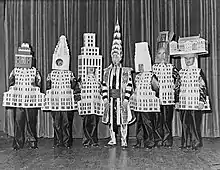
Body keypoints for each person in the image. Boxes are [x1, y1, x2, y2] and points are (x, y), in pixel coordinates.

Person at [3, 43, 45, 150]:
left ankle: (32, 142)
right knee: (18, 122)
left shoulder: (35, 71)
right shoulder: (15, 70)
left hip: (31, 101)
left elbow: (38, 84)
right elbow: (11, 82)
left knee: (31, 122)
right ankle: (18, 143)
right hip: (19, 101)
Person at [101, 20, 135, 148]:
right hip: (111, 99)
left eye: (117, 56)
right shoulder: (106, 71)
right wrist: (105, 99)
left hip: (121, 99)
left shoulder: (126, 71)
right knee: (112, 120)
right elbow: (104, 86)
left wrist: (126, 99)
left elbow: (129, 86)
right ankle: (113, 138)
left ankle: (124, 139)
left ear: (121, 56)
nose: (115, 58)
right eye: (113, 56)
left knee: (123, 120)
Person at [43, 35, 80, 148]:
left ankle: (67, 142)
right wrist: (48, 82)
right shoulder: (52, 73)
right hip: (55, 102)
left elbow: (74, 86)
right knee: (57, 124)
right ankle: (58, 141)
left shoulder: (69, 73)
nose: (59, 63)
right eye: (58, 62)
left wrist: (75, 82)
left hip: (66, 102)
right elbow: (48, 88)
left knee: (66, 123)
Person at [174, 51, 210, 150]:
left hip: (195, 102)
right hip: (183, 102)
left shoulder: (198, 71)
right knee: (185, 123)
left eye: (190, 58)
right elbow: (177, 87)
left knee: (194, 123)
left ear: (194, 59)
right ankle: (185, 143)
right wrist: (176, 100)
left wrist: (202, 101)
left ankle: (196, 143)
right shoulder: (180, 72)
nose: (188, 60)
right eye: (186, 59)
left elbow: (203, 87)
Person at [130, 42, 160, 149]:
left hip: (148, 105)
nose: (141, 67)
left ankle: (150, 142)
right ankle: (139, 141)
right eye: (139, 65)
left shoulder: (151, 76)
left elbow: (157, 89)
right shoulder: (137, 76)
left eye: (143, 65)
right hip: (138, 104)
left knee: (148, 123)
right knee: (139, 123)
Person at [152, 47, 180, 147]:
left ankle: (167, 140)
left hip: (169, 99)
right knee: (157, 120)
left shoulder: (172, 68)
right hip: (156, 99)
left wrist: (177, 99)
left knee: (167, 120)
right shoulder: (152, 68)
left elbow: (178, 83)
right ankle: (158, 139)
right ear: (156, 55)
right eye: (160, 53)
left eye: (164, 53)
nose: (162, 56)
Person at [78, 67, 103, 147]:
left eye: (93, 67)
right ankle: (86, 141)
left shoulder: (98, 78)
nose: (91, 69)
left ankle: (93, 141)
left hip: (95, 104)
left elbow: (101, 90)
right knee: (86, 123)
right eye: (89, 67)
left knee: (94, 123)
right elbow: (78, 89)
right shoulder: (82, 78)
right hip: (86, 104)